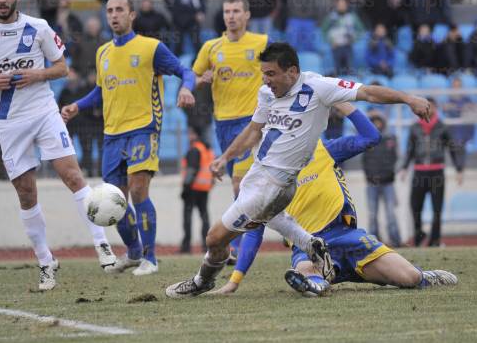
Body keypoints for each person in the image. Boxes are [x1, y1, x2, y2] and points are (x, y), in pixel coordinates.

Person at [165, 42, 432, 298]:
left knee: (214, 239)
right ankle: (311, 245)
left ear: (292, 71)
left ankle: (202, 281)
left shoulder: (319, 87)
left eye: (271, 74)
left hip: (274, 184)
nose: (266, 80)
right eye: (263, 74)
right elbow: (253, 131)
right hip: (258, 176)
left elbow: (369, 93)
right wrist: (225, 157)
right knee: (266, 218)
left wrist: (409, 99)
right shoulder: (267, 93)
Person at [0, 0, 117, 290]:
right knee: (27, 193)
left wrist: (36, 75)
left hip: (43, 112)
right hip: (9, 121)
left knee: (72, 175)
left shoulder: (38, 27)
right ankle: (45, 261)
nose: (2, 0)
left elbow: (62, 67)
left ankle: (101, 243)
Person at [210, 103, 456, 297]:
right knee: (303, 269)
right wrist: (235, 280)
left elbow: (371, 137)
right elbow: (254, 232)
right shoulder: (262, 178)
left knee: (409, 279)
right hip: (308, 246)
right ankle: (316, 283)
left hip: (347, 235)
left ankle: (422, 276)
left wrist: (344, 103)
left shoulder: (323, 149)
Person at [61, 0, 196, 276]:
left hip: (143, 128)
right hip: (112, 134)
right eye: (109, 10)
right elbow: (101, 90)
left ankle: (151, 258)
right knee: (114, 200)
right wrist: (78, 105)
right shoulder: (103, 53)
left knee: (137, 190)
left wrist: (186, 89)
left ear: (132, 15)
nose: (114, 15)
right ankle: (134, 253)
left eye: (120, 9)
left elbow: (185, 70)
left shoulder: (151, 48)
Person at [192, 0, 268, 263]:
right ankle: (242, 241)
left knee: (240, 184)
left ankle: (232, 245)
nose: (231, 16)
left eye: (236, 11)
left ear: (247, 15)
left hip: (251, 122)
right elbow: (193, 76)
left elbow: (279, 72)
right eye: (227, 11)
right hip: (222, 123)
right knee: (243, 189)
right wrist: (202, 80)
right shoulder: (211, 47)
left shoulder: (261, 43)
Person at [401, 97, 464, 247]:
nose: (428, 109)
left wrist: (459, 169)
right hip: (419, 172)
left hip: (437, 173)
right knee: (415, 207)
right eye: (426, 106)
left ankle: (434, 241)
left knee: (437, 208)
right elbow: (410, 150)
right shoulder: (414, 127)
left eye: (431, 106)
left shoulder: (443, 127)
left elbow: (453, 149)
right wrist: (404, 167)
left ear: (435, 108)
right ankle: (419, 236)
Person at [363, 111, 402, 246]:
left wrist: (391, 173)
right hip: (371, 184)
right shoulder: (366, 140)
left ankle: (396, 241)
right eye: (373, 122)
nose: (376, 124)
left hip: (388, 183)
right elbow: (365, 161)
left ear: (383, 123)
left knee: (391, 214)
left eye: (378, 121)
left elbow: (398, 159)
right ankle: (374, 244)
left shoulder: (391, 138)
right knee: (372, 215)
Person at [180, 126, 214, 253]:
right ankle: (206, 246)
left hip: (192, 188)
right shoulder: (208, 149)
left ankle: (186, 246)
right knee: (204, 216)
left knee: (187, 217)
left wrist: (185, 188)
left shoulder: (194, 149)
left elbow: (191, 170)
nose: (188, 136)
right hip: (204, 188)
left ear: (195, 135)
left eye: (190, 133)